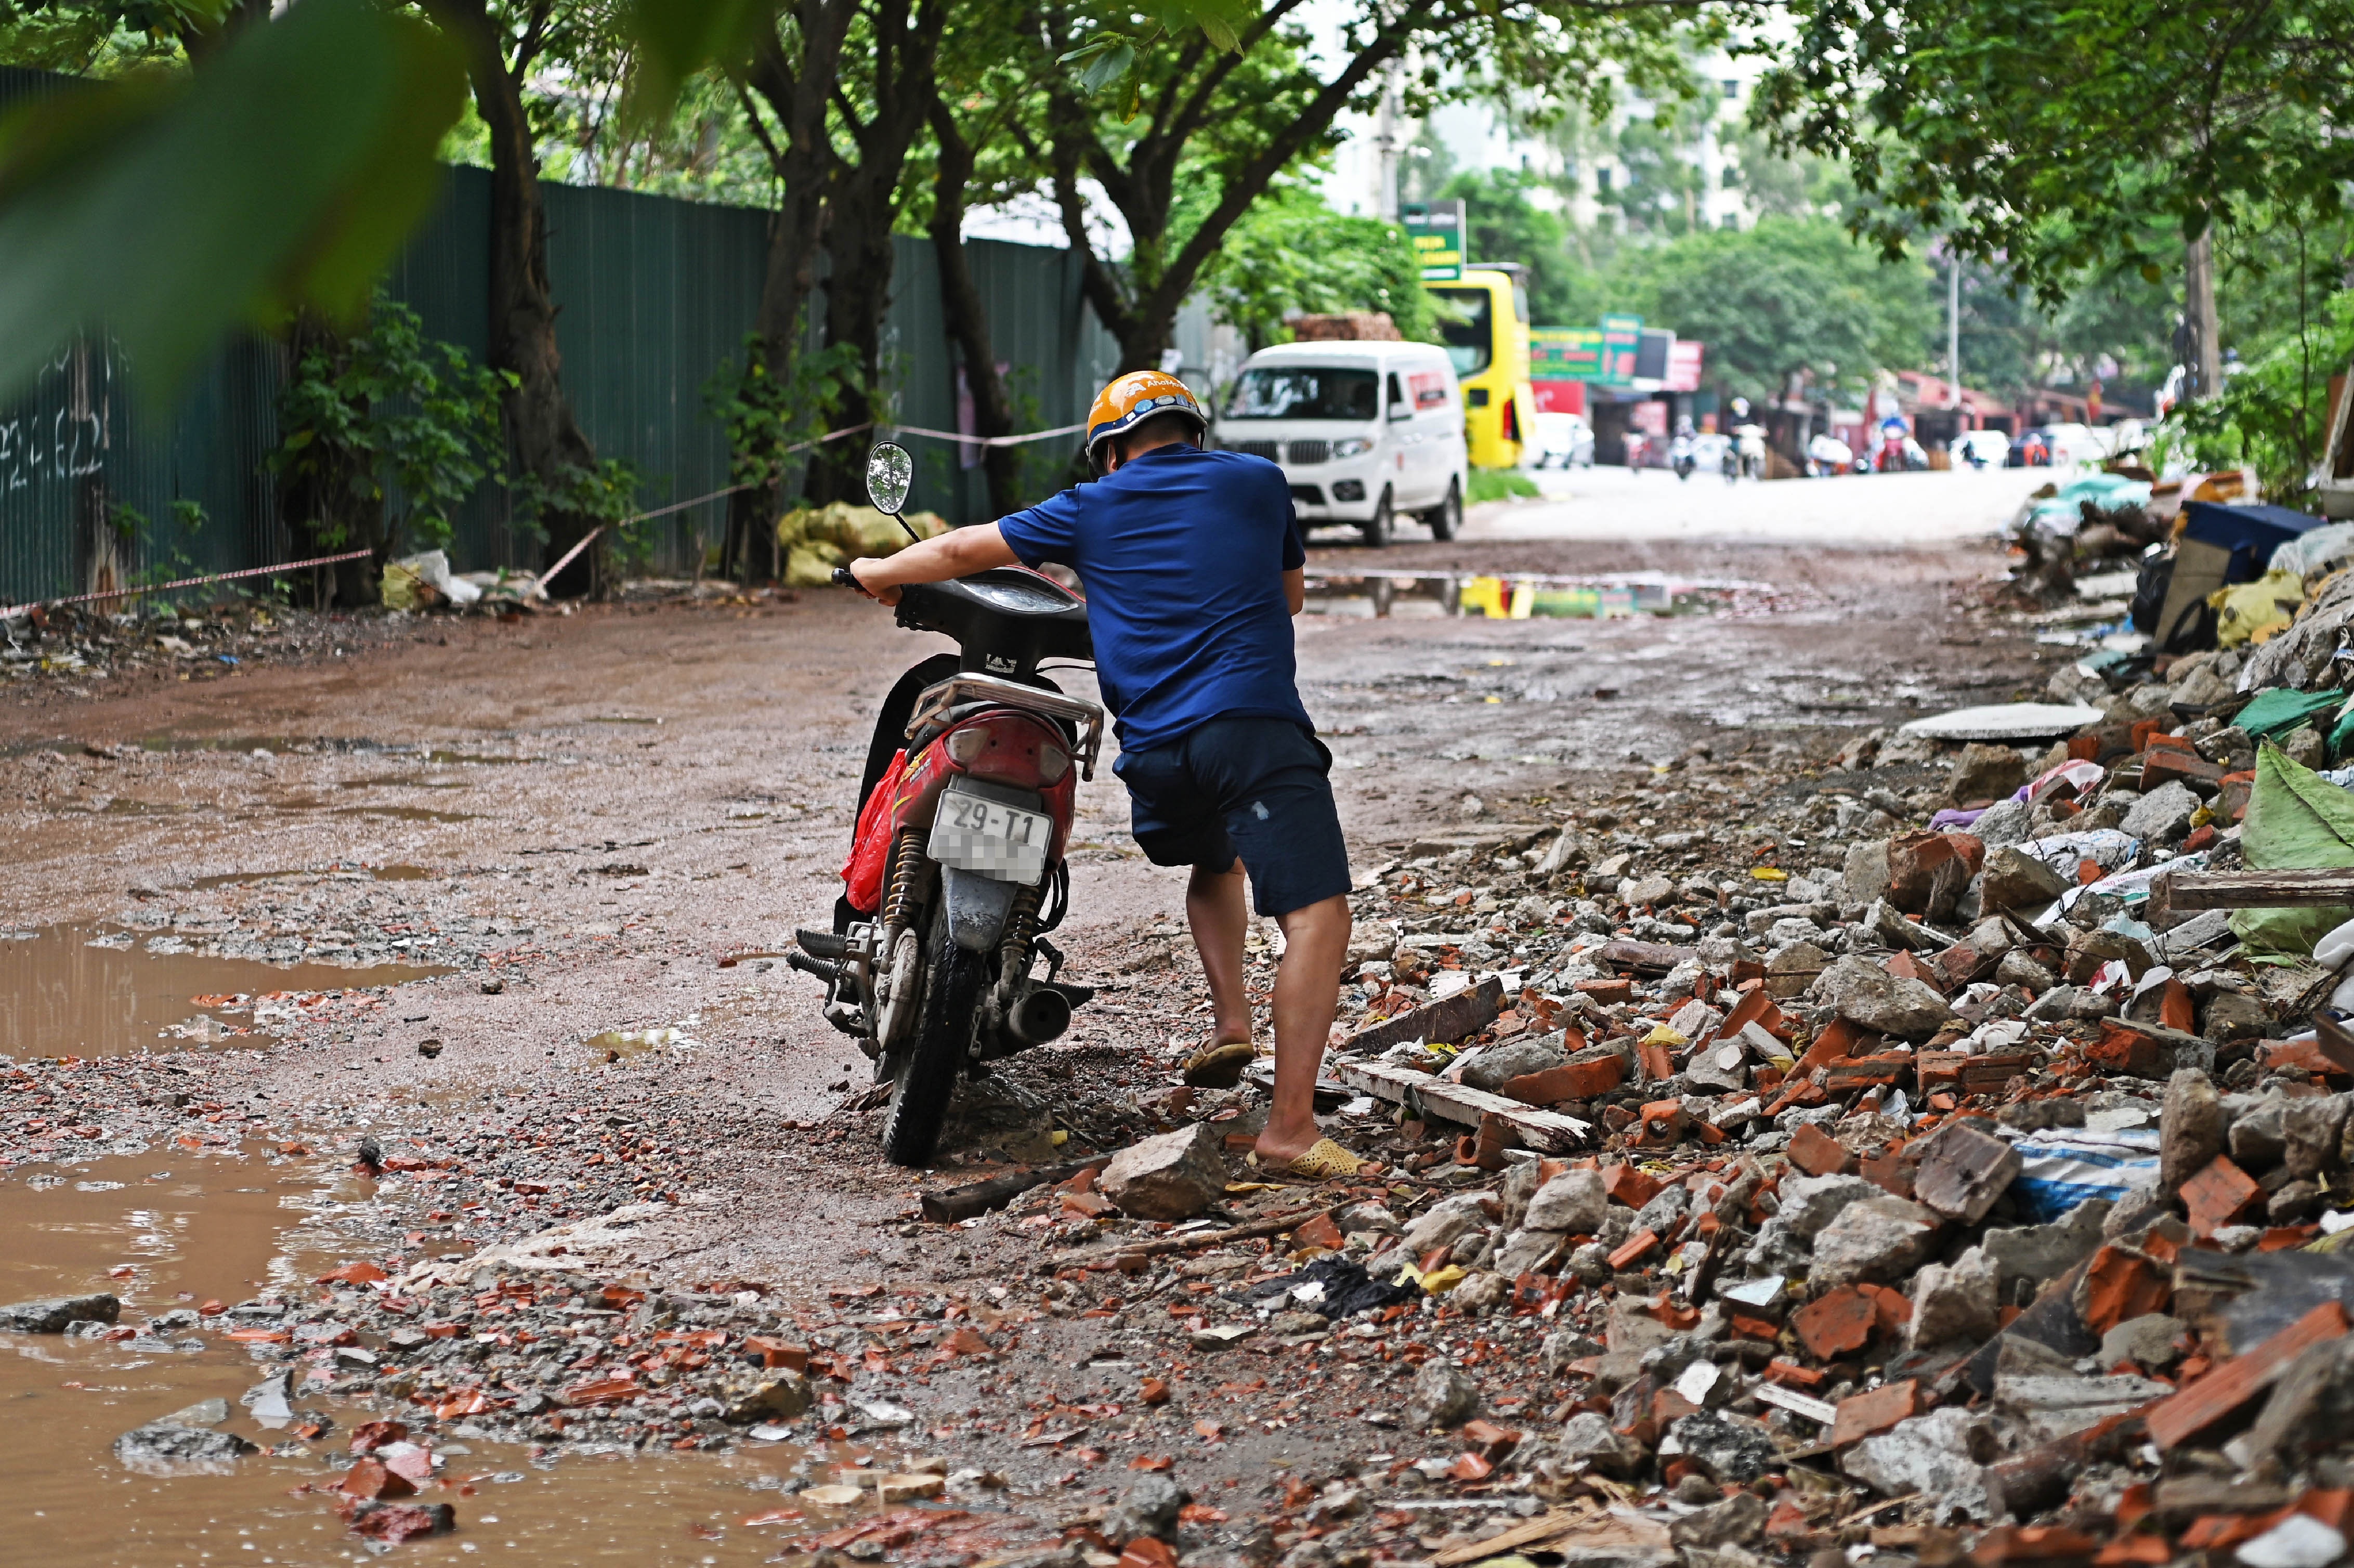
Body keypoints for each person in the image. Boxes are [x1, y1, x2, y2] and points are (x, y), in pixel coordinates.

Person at [843, 371, 1362, 1180]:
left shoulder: (1091, 505)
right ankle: (1290, 1128)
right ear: (1192, 433)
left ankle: (1233, 1022)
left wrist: (880, 570)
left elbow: (954, 550)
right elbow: (1287, 596)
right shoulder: (1258, 483)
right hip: (1253, 733)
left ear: (1112, 451)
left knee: (1216, 857)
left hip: (1158, 756)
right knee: (1317, 918)